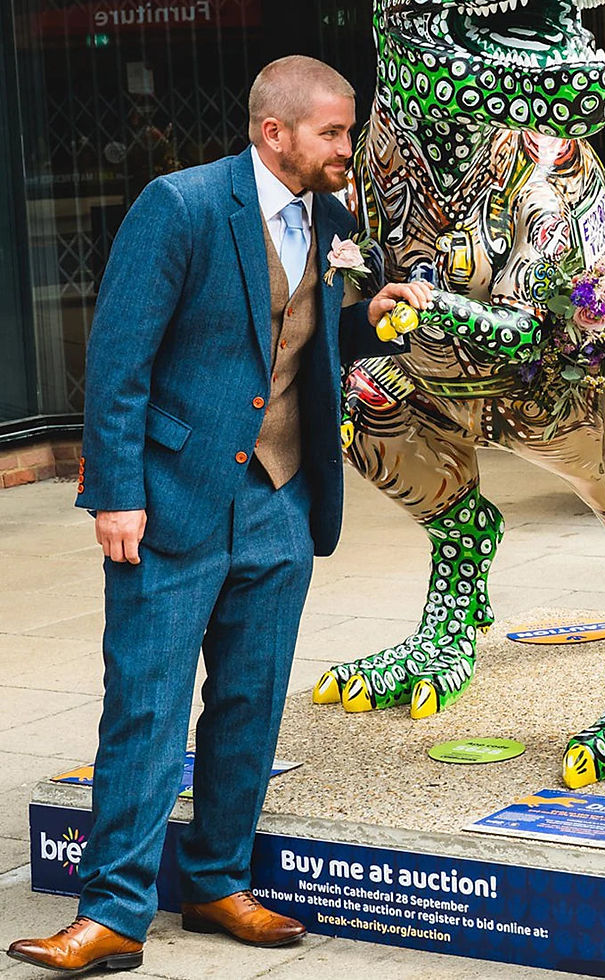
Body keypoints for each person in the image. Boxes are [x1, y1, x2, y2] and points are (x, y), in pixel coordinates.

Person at [6, 55, 429, 974]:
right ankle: (114, 913)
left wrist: (372, 313)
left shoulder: (334, 218)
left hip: (282, 497)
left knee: (250, 701)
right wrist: (114, 491)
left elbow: (310, 337)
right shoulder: (182, 206)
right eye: (333, 132)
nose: (345, 149)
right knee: (146, 705)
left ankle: (217, 881)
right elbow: (118, 360)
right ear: (274, 132)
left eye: (347, 132)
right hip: (172, 496)